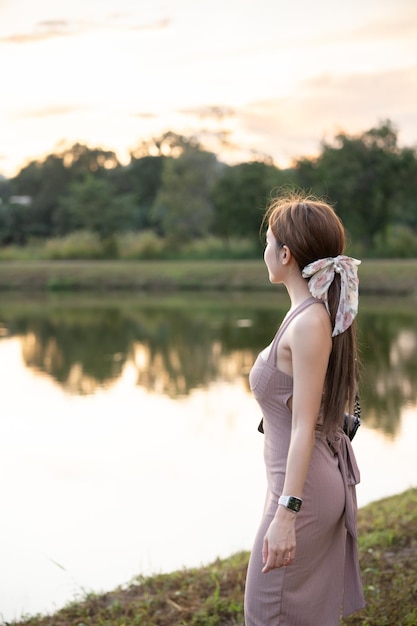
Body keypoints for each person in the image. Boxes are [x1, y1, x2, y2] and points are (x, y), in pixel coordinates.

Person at [244, 193, 366, 625]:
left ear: (285, 254)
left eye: (268, 241)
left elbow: (302, 429)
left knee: (267, 613)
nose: (264, 252)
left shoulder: (311, 321)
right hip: (293, 485)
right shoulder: (304, 314)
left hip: (301, 493)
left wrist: (286, 513)